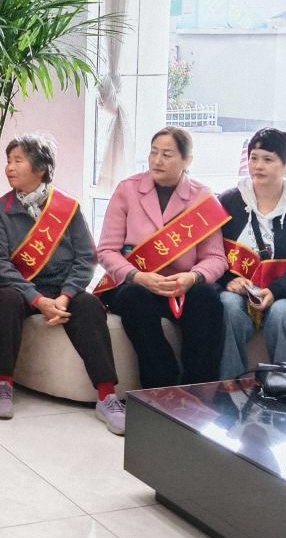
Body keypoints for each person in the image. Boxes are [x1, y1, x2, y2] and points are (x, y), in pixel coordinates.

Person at [0, 135, 125, 433]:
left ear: (40, 168)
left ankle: (107, 395)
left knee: (89, 306)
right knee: (5, 300)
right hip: (21, 288)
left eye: (17, 161)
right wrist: (37, 299)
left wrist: (65, 296)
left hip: (62, 288)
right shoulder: (0, 210)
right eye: (8, 161)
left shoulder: (67, 208)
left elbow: (86, 257)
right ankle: (4, 383)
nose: (9, 167)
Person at [96, 126, 229, 388]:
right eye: (153, 152)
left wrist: (193, 277)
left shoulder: (202, 196)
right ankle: (161, 385)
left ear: (187, 160)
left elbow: (216, 258)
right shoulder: (127, 190)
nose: (157, 160)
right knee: (134, 299)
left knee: (208, 299)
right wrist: (138, 276)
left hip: (182, 285)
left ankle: (198, 389)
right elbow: (107, 250)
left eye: (167, 155)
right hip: (137, 282)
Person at [216, 128, 286, 379]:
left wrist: (276, 290)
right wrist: (228, 280)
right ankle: (228, 386)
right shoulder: (228, 202)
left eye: (268, 159)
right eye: (254, 158)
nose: (258, 166)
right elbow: (211, 251)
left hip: (284, 294)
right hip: (239, 292)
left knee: (284, 312)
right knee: (227, 304)